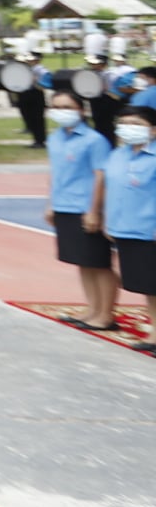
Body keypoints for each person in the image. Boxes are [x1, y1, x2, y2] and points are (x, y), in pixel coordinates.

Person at [45, 91, 117, 331]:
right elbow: (55, 173)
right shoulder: (55, 138)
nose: (61, 111)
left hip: (85, 207)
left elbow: (100, 176)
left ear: (81, 110)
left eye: (67, 106)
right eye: (56, 106)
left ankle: (105, 314)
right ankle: (92, 308)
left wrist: (94, 211)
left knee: (99, 263)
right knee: (83, 262)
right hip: (64, 205)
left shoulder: (94, 140)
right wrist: (51, 204)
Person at [102, 107, 156, 356]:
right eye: (123, 123)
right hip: (126, 229)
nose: (128, 128)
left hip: (150, 230)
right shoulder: (117, 155)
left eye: (135, 123)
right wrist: (110, 222)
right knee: (147, 285)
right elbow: (115, 191)